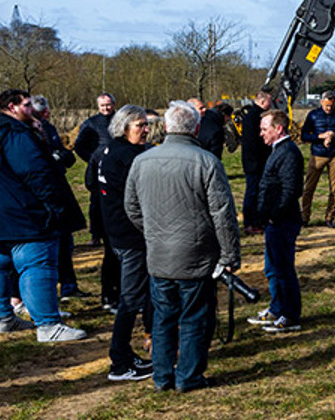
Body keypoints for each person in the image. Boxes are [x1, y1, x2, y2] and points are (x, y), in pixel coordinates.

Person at [125, 101, 242, 392]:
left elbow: (131, 207)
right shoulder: (206, 162)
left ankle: (163, 376)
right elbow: (222, 213)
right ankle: (188, 376)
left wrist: (154, 232)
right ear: (196, 128)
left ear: (165, 128)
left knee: (163, 318)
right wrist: (230, 255)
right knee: (193, 318)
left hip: (161, 255)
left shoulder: (142, 161)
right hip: (196, 255)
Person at [0, 88, 88, 342]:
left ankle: (2, 318)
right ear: (12, 107)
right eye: (28, 105)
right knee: (37, 263)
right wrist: (56, 207)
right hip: (23, 214)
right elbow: (37, 174)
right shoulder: (15, 135)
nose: (35, 110)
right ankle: (48, 325)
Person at [90, 105, 157, 381]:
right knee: (131, 299)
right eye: (139, 125)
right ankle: (119, 360)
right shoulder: (130, 157)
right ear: (123, 127)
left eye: (145, 124)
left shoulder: (108, 151)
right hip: (131, 236)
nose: (145, 130)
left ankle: (138, 348)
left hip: (117, 234)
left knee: (138, 294)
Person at [249, 109, 307, 333]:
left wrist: (273, 214)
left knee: (283, 269)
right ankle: (276, 308)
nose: (261, 133)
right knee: (272, 268)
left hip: (283, 221)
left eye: (265, 129)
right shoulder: (278, 151)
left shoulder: (289, 153)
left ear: (278, 129)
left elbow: (290, 190)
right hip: (274, 222)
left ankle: (290, 315)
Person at [30, 95, 89, 301]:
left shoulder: (49, 129)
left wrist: (63, 157)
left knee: (66, 241)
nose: (44, 116)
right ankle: (39, 294)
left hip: (59, 189)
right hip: (42, 196)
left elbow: (62, 153)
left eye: (45, 112)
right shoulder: (28, 132)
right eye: (40, 113)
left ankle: (69, 287)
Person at [77, 94, 123, 310]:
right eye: (102, 105)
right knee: (97, 206)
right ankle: (96, 233)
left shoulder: (120, 119)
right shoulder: (91, 123)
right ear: (98, 106)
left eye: (109, 104)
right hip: (99, 169)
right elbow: (79, 146)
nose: (106, 108)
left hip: (118, 167)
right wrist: (94, 157)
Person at [300, 98, 335, 228]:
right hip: (317, 155)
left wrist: (334, 134)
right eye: (327, 105)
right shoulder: (313, 115)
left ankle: (330, 218)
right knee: (309, 188)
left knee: (334, 189)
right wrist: (319, 137)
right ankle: (304, 218)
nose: (329, 108)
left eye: (331, 105)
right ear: (321, 103)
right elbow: (304, 135)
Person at [236, 90, 273, 234]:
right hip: (255, 162)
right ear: (263, 102)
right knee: (253, 193)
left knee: (259, 192)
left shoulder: (253, 115)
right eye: (269, 101)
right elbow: (254, 142)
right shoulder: (253, 117)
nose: (271, 104)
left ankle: (258, 220)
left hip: (255, 161)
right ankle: (250, 223)